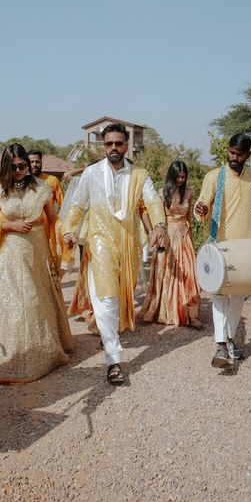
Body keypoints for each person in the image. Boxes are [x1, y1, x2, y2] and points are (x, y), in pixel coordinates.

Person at [62, 123, 167, 384]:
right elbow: (77, 205)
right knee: (107, 299)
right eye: (108, 144)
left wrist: (160, 226)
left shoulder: (139, 175)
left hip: (129, 245)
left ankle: (109, 335)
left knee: (119, 298)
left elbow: (153, 201)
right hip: (99, 243)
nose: (113, 148)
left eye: (118, 144)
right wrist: (69, 229)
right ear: (103, 145)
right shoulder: (90, 173)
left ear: (127, 145)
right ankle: (114, 359)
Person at [0, 144, 74, 383]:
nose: (20, 170)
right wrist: (8, 226)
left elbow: (53, 219)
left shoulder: (41, 187)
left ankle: (43, 353)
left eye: (24, 166)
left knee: (35, 299)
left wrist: (66, 233)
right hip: (10, 251)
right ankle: (6, 357)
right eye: (15, 166)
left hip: (37, 251)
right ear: (7, 167)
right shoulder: (0, 190)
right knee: (13, 299)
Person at [194, 133, 251, 369]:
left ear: (248, 155)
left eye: (240, 154)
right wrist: (200, 208)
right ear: (228, 150)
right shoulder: (215, 177)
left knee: (238, 297)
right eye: (231, 153)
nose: (234, 158)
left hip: (247, 248)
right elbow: (201, 209)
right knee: (219, 295)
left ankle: (231, 340)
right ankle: (221, 345)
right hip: (221, 247)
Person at [140, 161, 202, 328]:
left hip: (184, 237)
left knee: (189, 274)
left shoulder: (189, 193)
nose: (181, 179)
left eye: (183, 176)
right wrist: (152, 232)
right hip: (166, 237)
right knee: (165, 273)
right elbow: (146, 212)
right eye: (178, 176)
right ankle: (164, 310)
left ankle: (191, 314)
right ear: (171, 176)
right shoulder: (160, 194)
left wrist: (190, 237)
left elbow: (188, 216)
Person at [27, 150, 65, 271]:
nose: (34, 165)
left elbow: (63, 205)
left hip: (49, 231)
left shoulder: (52, 180)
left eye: (37, 162)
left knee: (51, 265)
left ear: (41, 163)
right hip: (28, 230)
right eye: (31, 162)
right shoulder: (22, 182)